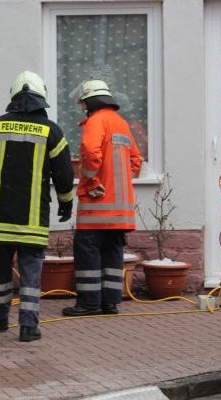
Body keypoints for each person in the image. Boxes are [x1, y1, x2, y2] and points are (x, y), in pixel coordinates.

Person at [0, 71, 75, 342]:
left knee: (0, 271)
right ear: (42, 97)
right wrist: (66, 202)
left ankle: (0, 317)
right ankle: (28, 327)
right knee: (31, 273)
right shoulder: (51, 131)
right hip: (33, 219)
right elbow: (64, 173)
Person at [62, 80, 142, 317]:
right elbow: (136, 161)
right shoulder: (122, 124)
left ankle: (88, 303)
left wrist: (89, 180)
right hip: (120, 211)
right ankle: (110, 303)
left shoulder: (96, 121)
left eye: (84, 103)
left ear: (90, 101)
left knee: (88, 251)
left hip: (97, 206)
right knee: (112, 253)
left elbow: (89, 150)